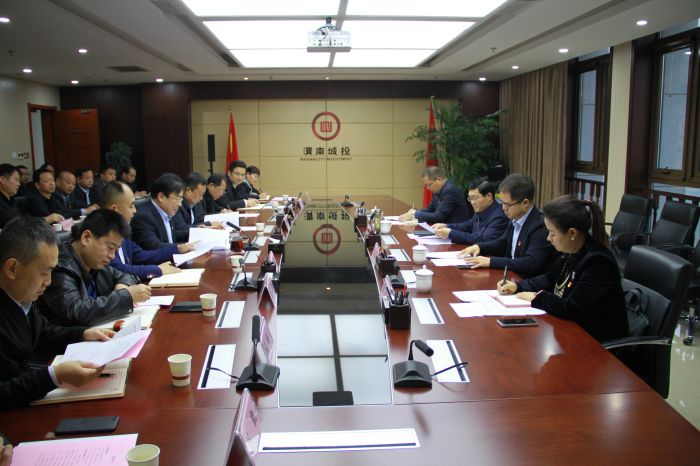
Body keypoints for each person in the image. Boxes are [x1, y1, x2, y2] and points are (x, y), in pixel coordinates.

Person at [0, 216, 114, 410]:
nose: (49, 281)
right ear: (12, 268)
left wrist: (83, 334)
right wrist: (54, 376)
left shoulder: (21, 296)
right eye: (44, 273)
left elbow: (43, 333)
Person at [497, 195, 629, 342]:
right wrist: (518, 286)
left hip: (595, 342)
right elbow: (549, 279)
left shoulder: (598, 262)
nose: (548, 238)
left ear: (572, 233)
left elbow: (571, 308)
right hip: (569, 331)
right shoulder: (570, 251)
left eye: (552, 233)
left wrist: (536, 297)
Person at [37, 209, 151, 326]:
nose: (112, 256)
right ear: (86, 237)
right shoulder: (60, 268)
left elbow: (124, 275)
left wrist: (122, 286)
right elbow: (76, 312)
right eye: (110, 247)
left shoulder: (95, 262)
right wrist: (126, 297)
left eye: (116, 250)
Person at [459, 173, 555, 278]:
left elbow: (530, 263)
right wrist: (480, 247)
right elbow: (502, 242)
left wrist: (491, 261)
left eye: (507, 204)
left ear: (525, 203)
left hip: (525, 282)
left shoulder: (540, 226)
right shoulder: (515, 217)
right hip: (509, 276)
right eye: (502, 202)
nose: (503, 208)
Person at [102, 181, 183, 281]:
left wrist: (178, 249)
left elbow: (143, 256)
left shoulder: (121, 233)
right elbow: (119, 269)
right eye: (131, 206)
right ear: (114, 209)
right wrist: (158, 270)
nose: (135, 210)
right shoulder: (102, 236)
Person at [433, 178, 508, 245]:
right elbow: (468, 226)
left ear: (489, 196)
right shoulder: (481, 208)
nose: (472, 202)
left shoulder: (499, 216)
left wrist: (451, 233)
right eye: (470, 198)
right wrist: (446, 226)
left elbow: (482, 239)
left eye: (475, 198)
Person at [131, 173, 189, 250]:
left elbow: (170, 237)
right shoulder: (144, 217)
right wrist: (180, 248)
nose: (180, 204)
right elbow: (154, 246)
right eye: (177, 198)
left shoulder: (165, 211)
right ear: (161, 197)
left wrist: (197, 233)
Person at [398, 166, 470, 224]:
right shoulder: (437, 189)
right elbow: (431, 209)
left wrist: (415, 214)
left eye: (429, 185)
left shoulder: (450, 190)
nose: (428, 188)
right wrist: (413, 212)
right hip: (442, 228)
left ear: (438, 179)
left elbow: (438, 217)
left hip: (455, 231)